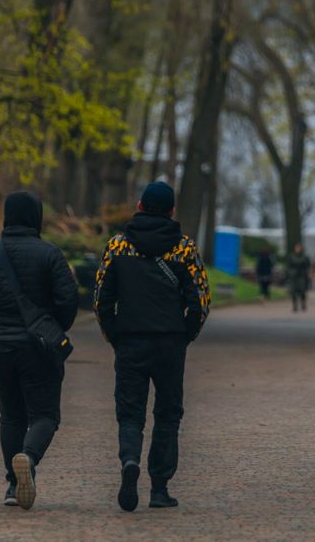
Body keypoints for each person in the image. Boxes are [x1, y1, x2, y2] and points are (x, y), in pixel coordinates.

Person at [0, 191, 79, 510]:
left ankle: (13, 484)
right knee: (45, 415)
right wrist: (53, 326)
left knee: (11, 415)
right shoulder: (50, 254)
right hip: (39, 347)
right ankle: (29, 456)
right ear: (36, 217)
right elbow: (69, 300)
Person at [94, 182, 211, 511]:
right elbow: (200, 300)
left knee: (130, 413)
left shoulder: (118, 246)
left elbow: (101, 298)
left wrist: (114, 335)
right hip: (170, 342)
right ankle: (159, 487)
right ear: (172, 211)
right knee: (168, 413)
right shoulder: (184, 248)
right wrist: (186, 333)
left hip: (130, 339)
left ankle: (130, 460)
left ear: (140, 205)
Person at [285, 243, 311, 312]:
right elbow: (288, 266)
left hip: (302, 276)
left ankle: (303, 304)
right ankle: (295, 306)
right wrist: (289, 273)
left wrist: (308, 274)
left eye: (299, 248)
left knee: (302, 291)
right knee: (293, 291)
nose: (297, 249)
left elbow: (308, 266)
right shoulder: (291, 256)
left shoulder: (305, 257)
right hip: (293, 276)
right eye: (296, 248)